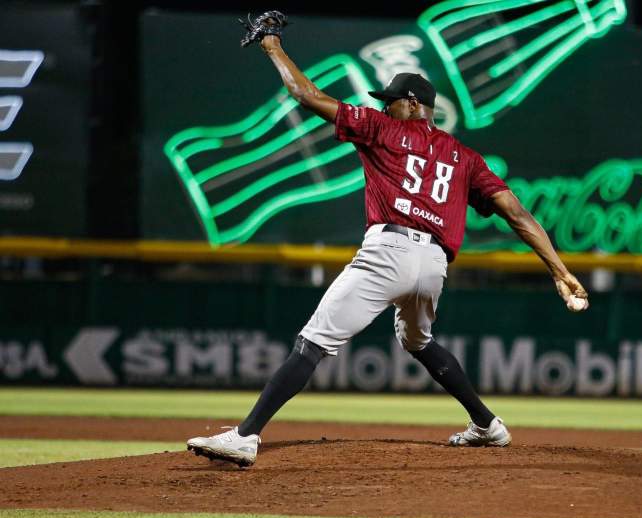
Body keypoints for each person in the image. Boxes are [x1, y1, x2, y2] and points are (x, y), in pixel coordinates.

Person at [187, 27, 589, 468]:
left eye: (391, 99)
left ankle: (245, 437)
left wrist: (272, 45)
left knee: (314, 340)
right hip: (434, 265)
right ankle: (488, 425)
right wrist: (559, 270)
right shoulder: (466, 158)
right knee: (418, 339)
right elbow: (518, 214)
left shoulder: (381, 128)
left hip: (389, 252)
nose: (383, 105)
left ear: (413, 102)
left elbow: (304, 93)